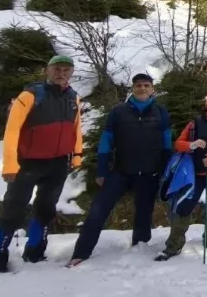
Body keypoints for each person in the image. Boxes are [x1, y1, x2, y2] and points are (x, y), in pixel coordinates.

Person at [0, 55, 83, 274]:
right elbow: (11, 131)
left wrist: (76, 157)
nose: (61, 74)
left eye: (66, 70)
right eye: (57, 69)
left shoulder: (73, 98)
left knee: (46, 209)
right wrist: (10, 165)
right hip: (27, 164)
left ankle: (35, 252)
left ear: (72, 73)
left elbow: (76, 130)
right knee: (13, 211)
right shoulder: (30, 95)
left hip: (58, 163)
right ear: (48, 70)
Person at [68, 74, 171, 267]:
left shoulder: (161, 112)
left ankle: (139, 247)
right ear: (133, 89)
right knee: (98, 211)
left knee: (144, 212)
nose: (142, 88)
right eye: (138, 85)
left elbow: (166, 143)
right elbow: (106, 142)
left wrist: (165, 171)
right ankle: (81, 252)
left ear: (152, 89)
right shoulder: (118, 111)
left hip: (149, 173)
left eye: (146, 85)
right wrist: (101, 170)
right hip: (121, 170)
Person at [155, 90, 207, 261]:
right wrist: (191, 145)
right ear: (206, 104)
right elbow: (179, 144)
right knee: (185, 206)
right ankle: (173, 246)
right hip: (195, 174)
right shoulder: (195, 123)